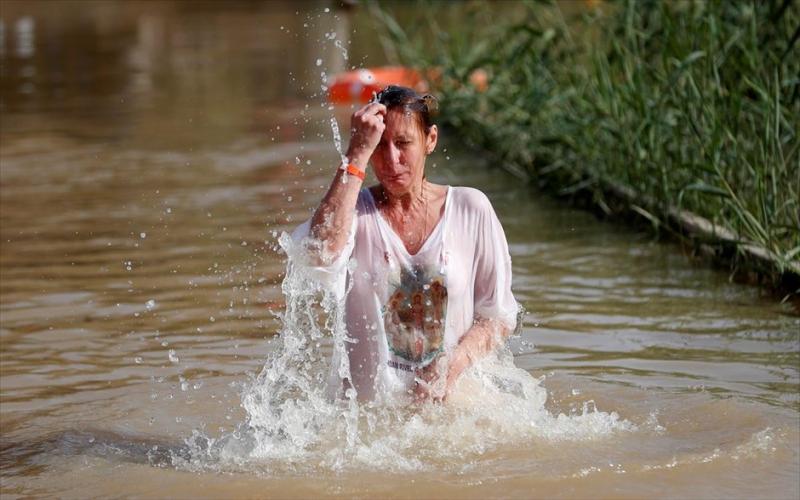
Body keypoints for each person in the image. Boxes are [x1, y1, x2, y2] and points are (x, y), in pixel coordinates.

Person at [292, 85, 518, 403]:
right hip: (365, 424)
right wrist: (356, 152)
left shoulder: (471, 209)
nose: (391, 160)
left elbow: (498, 318)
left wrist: (452, 366)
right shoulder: (353, 213)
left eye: (403, 143)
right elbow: (318, 254)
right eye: (379, 146)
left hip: (452, 414)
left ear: (431, 140)